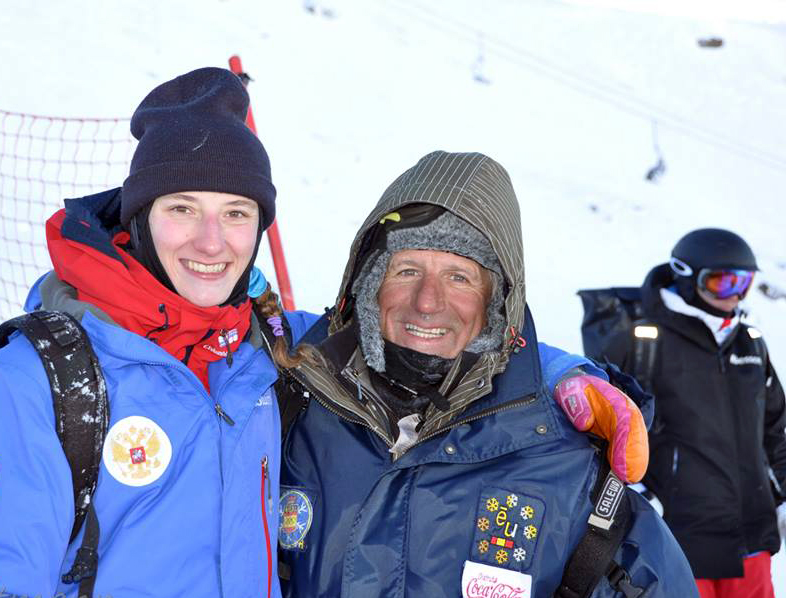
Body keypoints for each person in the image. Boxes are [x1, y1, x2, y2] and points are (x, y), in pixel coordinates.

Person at [0, 68, 318, 598]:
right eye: (182, 209)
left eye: (236, 213)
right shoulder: (28, 386)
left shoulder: (270, 351)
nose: (212, 242)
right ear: (140, 218)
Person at [276, 151, 697, 598]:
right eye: (407, 269)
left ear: (499, 304)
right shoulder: (286, 404)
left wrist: (559, 373)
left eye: (459, 277)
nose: (426, 301)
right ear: (366, 286)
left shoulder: (565, 466)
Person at [599, 228, 786, 598]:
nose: (735, 295)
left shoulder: (750, 343)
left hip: (750, 541)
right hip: (676, 540)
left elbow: (776, 427)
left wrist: (779, 487)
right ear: (687, 277)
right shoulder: (640, 343)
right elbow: (603, 432)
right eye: (723, 283)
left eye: (743, 284)